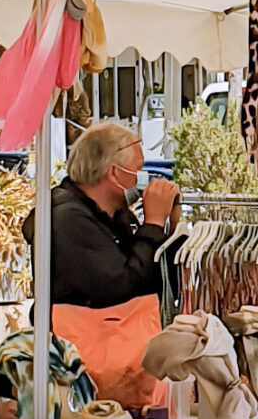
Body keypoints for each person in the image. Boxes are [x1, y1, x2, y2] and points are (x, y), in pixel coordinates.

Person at [24, 120, 179, 309]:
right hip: (84, 335)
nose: (143, 178)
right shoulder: (68, 220)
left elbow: (155, 278)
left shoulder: (116, 217)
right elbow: (121, 289)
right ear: (114, 172)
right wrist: (153, 224)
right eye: (138, 170)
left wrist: (173, 229)